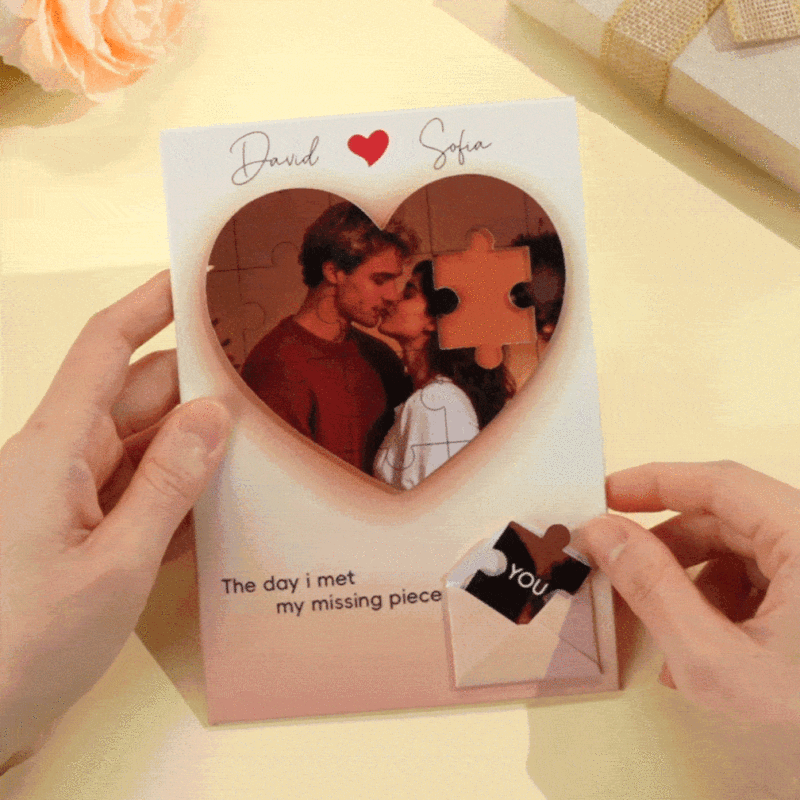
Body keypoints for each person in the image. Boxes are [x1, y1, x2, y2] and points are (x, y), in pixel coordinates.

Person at [2, 278, 799, 776]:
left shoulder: (443, 406)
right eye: (392, 287)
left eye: (412, 293)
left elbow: (462, 566)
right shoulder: (418, 393)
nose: (394, 304)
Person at [240, 202, 415, 473]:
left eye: (395, 280)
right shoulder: (274, 365)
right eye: (380, 280)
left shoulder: (381, 357)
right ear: (334, 272)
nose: (393, 295)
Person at [373, 260, 515, 489]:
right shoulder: (432, 396)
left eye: (408, 294)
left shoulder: (437, 401)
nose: (392, 299)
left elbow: (437, 506)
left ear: (434, 320)